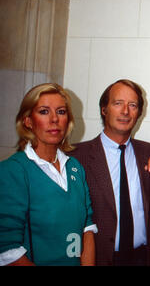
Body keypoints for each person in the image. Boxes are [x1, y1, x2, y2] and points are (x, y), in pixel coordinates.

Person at [69, 79, 150, 266]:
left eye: (132, 105)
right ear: (104, 109)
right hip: (98, 259)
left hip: (144, 259)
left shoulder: (149, 153)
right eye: (118, 103)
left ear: (139, 113)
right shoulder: (77, 156)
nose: (125, 111)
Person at [0, 83, 96, 266]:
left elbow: (87, 228)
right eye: (44, 112)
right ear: (28, 121)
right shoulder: (12, 171)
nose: (54, 119)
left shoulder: (75, 167)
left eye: (61, 112)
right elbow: (7, 249)